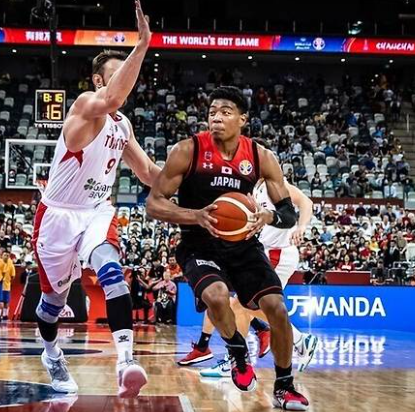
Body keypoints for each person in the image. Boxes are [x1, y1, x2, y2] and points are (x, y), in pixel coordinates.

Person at [146, 86, 308, 409]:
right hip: (199, 243)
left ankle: (284, 386)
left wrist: (269, 216)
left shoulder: (261, 157)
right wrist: (194, 215)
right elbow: (154, 203)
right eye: (212, 113)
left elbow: (289, 213)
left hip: (243, 245)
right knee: (217, 296)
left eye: (226, 112)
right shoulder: (188, 151)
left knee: (276, 307)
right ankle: (237, 350)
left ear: (243, 119)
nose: (216, 118)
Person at [31, 1, 158, 396]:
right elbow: (112, 99)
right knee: (52, 303)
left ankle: (126, 362)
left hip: (97, 212)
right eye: (117, 74)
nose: (125, 80)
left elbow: (148, 173)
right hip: (57, 215)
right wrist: (143, 44)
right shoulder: (86, 104)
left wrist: (194, 184)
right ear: (98, 80)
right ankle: (52, 354)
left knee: (111, 269)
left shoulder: (123, 125)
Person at [183, 175, 318, 379]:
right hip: (263, 250)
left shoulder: (277, 184)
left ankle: (238, 361)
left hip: (278, 253)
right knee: (242, 306)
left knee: (240, 305)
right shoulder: (255, 188)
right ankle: (293, 342)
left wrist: (301, 227)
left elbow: (306, 202)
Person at [0, 251, 16, 322]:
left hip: (6, 286)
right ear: (2, 256)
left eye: (7, 255)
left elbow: (13, 276)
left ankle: (5, 315)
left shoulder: (11, 265)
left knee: (6, 302)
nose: (6, 256)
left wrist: (7, 280)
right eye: (4, 255)